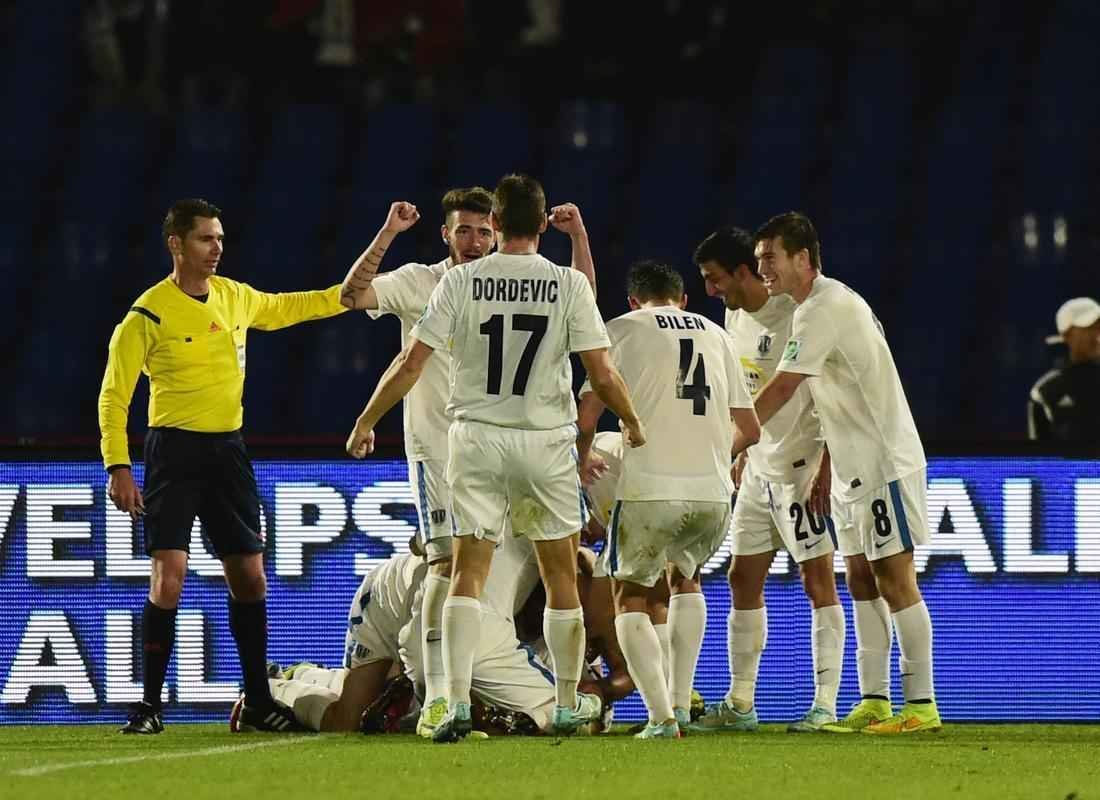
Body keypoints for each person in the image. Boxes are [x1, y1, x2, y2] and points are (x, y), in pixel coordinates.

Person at [345, 174, 645, 742]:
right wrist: (629, 419)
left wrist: (367, 419)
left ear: (498, 226)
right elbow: (601, 373)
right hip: (544, 443)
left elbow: (411, 363)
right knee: (561, 574)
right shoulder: (567, 285)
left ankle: (448, 703)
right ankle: (565, 702)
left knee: (465, 572)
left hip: (476, 440)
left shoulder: (460, 283)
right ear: (539, 227)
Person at [99, 198, 349, 734]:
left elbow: (288, 307)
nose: (216, 248)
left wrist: (344, 296)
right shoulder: (147, 314)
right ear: (176, 245)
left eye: (219, 238)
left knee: (251, 577)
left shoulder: (235, 296)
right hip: (174, 453)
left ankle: (257, 700)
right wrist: (117, 466)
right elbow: (113, 396)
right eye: (205, 239)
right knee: (170, 576)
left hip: (229, 451)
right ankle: (148, 706)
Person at [748, 211, 941, 734]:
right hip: (851, 467)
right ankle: (875, 699)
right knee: (858, 578)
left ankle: (921, 705)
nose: (762, 267)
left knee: (895, 579)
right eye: (759, 258)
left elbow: (786, 386)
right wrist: (829, 464)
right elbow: (838, 395)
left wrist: (731, 434)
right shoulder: (818, 306)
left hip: (883, 462)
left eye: (771, 258)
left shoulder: (822, 308)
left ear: (802, 258)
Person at [576, 260, 760, 739]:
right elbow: (751, 428)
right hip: (715, 494)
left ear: (634, 302)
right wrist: (718, 456)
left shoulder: (621, 329)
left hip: (653, 487)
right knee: (686, 580)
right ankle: (680, 700)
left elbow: (587, 413)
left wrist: (581, 457)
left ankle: (661, 718)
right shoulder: (717, 335)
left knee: (629, 594)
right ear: (683, 300)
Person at [688, 227, 847, 733]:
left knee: (817, 581)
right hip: (758, 468)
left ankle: (824, 705)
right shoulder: (734, 315)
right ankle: (740, 704)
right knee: (741, 578)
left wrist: (828, 459)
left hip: (803, 466)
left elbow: (832, 385)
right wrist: (742, 452)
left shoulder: (795, 313)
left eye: (715, 279)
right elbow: (743, 388)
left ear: (741, 272)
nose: (711, 291)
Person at [1029, 297, 1100, 443]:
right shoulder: (1045, 392)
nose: (1097, 334)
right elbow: (1038, 459)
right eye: (1089, 328)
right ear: (1067, 335)